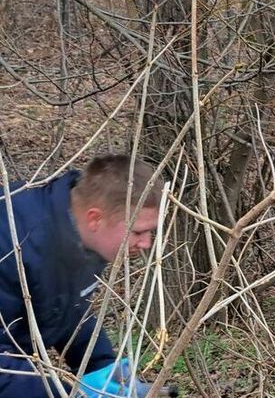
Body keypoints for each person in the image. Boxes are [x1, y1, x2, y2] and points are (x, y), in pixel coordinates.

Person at [0, 155, 163, 397]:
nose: (147, 243)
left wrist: (101, 365)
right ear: (95, 218)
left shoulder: (79, 234)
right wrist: (66, 394)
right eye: (138, 231)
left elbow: (65, 305)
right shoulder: (12, 243)